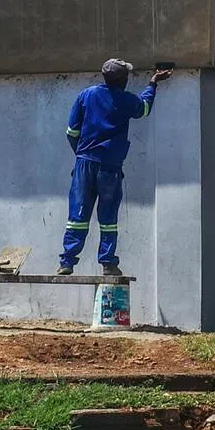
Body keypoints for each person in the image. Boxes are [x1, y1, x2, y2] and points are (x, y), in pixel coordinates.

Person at [59, 59, 173, 276]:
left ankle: (67, 262)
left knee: (78, 214)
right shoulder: (125, 99)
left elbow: (72, 132)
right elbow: (144, 108)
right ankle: (108, 263)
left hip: (84, 163)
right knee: (108, 217)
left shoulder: (86, 95)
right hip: (110, 166)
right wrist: (153, 83)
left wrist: (82, 156)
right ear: (124, 79)